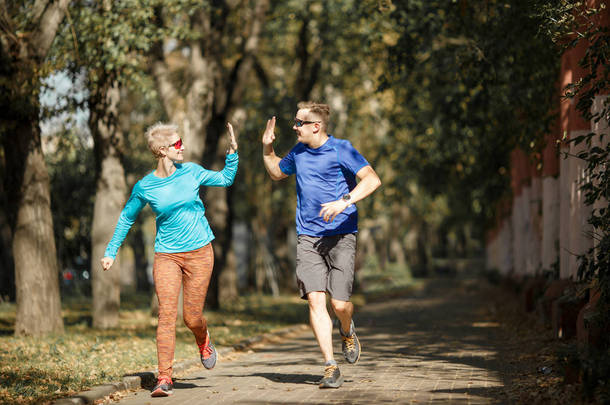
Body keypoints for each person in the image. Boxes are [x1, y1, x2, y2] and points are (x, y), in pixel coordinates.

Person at [100, 122, 238, 397]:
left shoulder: (192, 172)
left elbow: (225, 179)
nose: (182, 147)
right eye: (177, 144)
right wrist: (111, 251)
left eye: (181, 142)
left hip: (200, 253)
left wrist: (232, 153)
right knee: (165, 315)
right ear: (162, 150)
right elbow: (128, 217)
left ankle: (203, 338)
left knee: (192, 317)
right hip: (167, 255)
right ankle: (164, 377)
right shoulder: (145, 186)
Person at [261, 101, 381, 389]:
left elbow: (372, 180)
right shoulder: (299, 152)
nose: (294, 126)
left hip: (342, 234)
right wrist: (267, 148)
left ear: (316, 126)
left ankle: (347, 328)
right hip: (308, 237)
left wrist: (344, 202)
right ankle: (330, 365)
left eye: (299, 122)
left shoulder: (342, 148)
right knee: (316, 300)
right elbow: (277, 172)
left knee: (340, 304)